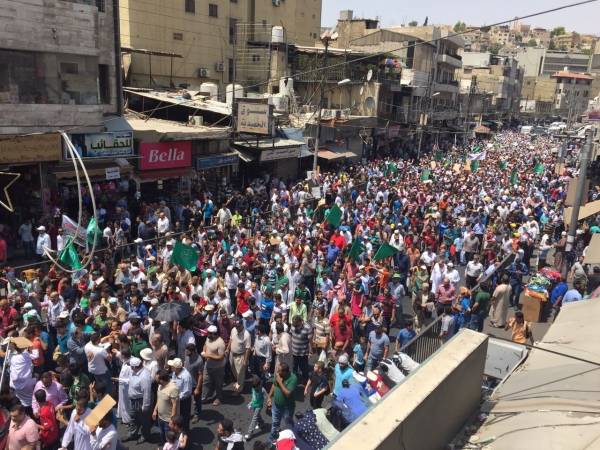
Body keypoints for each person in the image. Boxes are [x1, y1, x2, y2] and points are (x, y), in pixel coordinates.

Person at [267, 362, 298, 444]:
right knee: (275, 423)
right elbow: (274, 385)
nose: (277, 372)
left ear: (285, 372)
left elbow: (288, 394)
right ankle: (271, 440)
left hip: (287, 408)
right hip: (276, 405)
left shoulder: (293, 378)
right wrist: (269, 396)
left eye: (279, 371)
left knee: (288, 425)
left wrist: (280, 382)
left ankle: (292, 438)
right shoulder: (278, 375)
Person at [125, 356, 152, 444]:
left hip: (140, 401)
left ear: (134, 367)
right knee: (133, 418)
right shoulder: (134, 371)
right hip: (133, 400)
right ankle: (132, 434)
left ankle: (145, 435)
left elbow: (146, 393)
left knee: (144, 420)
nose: (130, 367)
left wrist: (145, 406)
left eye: (131, 366)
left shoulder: (144, 376)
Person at [201, 324, 226, 406]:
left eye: (209, 333)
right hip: (208, 365)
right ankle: (204, 397)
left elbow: (221, 357)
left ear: (214, 334)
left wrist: (208, 355)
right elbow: (205, 345)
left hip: (218, 367)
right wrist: (204, 351)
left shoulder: (220, 343)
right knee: (205, 381)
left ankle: (218, 397)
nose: (207, 335)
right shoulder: (208, 338)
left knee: (218, 383)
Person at [168, 357, 194, 432]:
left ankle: (185, 434)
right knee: (177, 417)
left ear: (176, 368)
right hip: (177, 398)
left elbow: (187, 392)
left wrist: (176, 398)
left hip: (184, 401)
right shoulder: (175, 372)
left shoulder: (186, 377)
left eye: (172, 366)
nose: (170, 367)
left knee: (184, 418)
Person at [228, 318, 252, 395]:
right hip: (232, 354)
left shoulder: (246, 335)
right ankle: (239, 382)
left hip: (240, 356)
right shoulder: (233, 330)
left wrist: (245, 360)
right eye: (235, 326)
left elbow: (248, 349)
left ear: (242, 325)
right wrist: (227, 349)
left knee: (240, 374)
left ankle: (239, 389)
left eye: (238, 326)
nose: (237, 328)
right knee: (234, 371)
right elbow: (231, 339)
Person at [183, 342, 204, 424]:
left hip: (195, 384)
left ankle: (197, 414)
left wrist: (198, 388)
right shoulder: (187, 356)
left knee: (196, 401)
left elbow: (201, 375)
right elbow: (185, 365)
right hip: (187, 383)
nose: (186, 353)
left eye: (187, 351)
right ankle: (187, 414)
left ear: (193, 351)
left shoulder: (199, 361)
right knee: (187, 400)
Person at [245, 375, 266, 441]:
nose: (255, 388)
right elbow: (253, 397)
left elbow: (267, 397)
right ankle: (261, 423)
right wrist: (250, 403)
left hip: (259, 406)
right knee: (257, 416)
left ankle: (249, 433)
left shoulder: (262, 390)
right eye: (254, 387)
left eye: (256, 387)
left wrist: (269, 404)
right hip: (254, 405)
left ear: (260, 384)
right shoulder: (253, 388)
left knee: (254, 419)